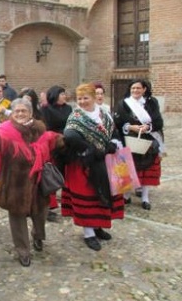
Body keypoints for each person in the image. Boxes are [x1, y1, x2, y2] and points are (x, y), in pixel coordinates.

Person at [0, 98, 62, 266]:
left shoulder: (39, 129)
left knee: (40, 214)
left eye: (23, 111)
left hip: (39, 182)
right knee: (17, 217)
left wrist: (68, 140)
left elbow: (52, 140)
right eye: (17, 111)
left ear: (30, 113)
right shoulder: (6, 130)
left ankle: (38, 236)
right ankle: (23, 250)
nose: (20, 114)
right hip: (15, 184)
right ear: (12, 113)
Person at [61, 83, 124, 251]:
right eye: (79, 98)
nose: (82, 102)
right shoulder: (76, 115)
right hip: (84, 162)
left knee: (102, 194)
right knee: (87, 196)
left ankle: (98, 226)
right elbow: (70, 135)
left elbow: (114, 132)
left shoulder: (104, 114)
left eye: (85, 98)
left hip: (104, 160)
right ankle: (89, 233)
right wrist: (89, 148)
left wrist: (113, 143)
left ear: (95, 97)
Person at [114, 79, 164, 210]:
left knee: (146, 169)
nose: (135, 91)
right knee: (128, 168)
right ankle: (126, 195)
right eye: (133, 88)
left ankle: (145, 197)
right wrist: (130, 127)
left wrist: (147, 128)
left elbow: (158, 121)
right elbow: (117, 122)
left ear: (144, 89)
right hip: (128, 140)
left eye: (138, 88)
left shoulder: (152, 103)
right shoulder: (123, 104)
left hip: (147, 140)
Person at [41, 85, 73, 222]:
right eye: (62, 94)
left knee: (67, 175)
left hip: (67, 145)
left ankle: (68, 204)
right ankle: (48, 207)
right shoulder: (46, 109)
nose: (64, 96)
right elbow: (45, 127)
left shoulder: (69, 108)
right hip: (53, 145)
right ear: (55, 95)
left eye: (65, 94)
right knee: (52, 176)